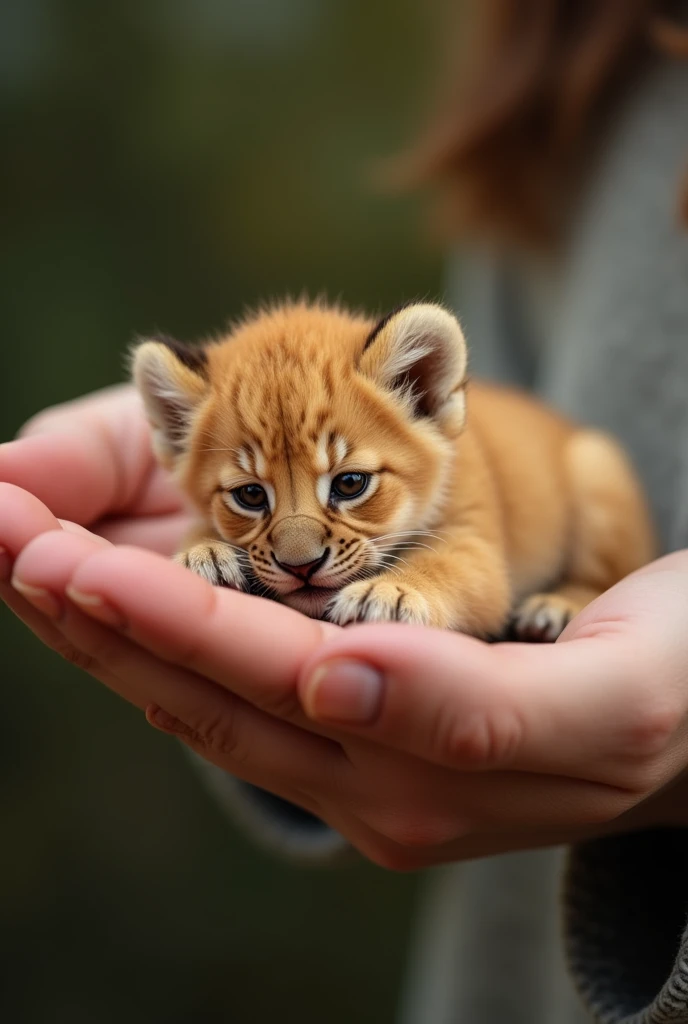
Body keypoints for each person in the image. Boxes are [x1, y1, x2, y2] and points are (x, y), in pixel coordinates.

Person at [1, 2, 688, 1022]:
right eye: (245, 501)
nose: (297, 545)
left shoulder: (439, 470)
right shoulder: (562, 54)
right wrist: (210, 553)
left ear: (424, 394)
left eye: (346, 485)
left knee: (586, 470)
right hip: (501, 975)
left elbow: (473, 572)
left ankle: (584, 581)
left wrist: (420, 591)